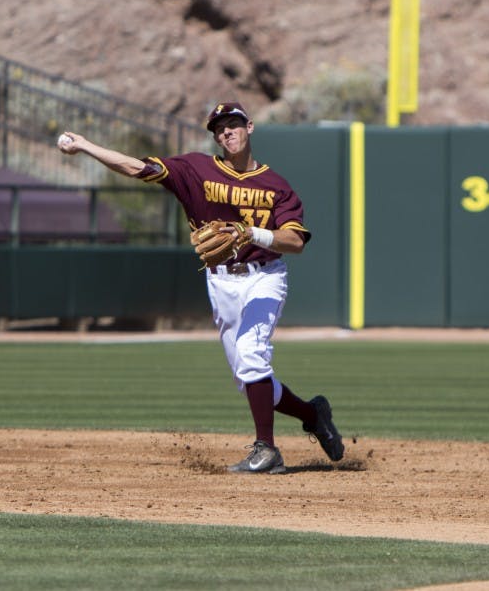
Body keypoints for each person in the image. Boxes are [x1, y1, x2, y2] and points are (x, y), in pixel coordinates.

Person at [58, 101, 344, 474]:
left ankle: (267, 450)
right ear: (215, 137)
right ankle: (312, 413)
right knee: (249, 377)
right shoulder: (196, 169)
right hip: (221, 281)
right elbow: (136, 167)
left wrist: (250, 232)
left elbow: (295, 241)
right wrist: (86, 146)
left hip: (264, 275)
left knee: (251, 354)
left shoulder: (276, 186)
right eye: (219, 128)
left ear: (250, 127)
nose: (227, 131)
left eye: (234, 124)